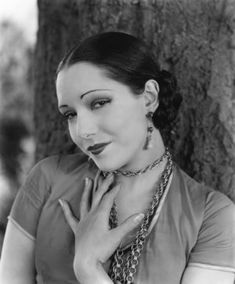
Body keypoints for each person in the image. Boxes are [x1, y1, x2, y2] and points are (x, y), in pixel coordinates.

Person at [0, 32, 234, 284]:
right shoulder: (47, 180)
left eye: (99, 102)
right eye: (70, 114)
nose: (82, 130)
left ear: (149, 97)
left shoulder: (211, 216)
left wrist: (88, 267)